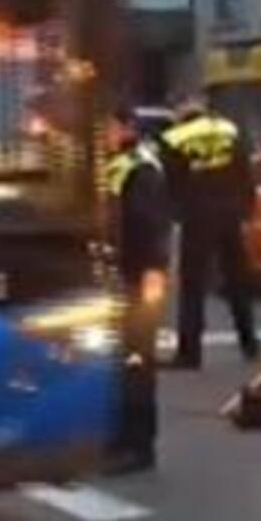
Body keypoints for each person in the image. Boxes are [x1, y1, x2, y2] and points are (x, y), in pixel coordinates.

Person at [160, 97, 259, 367]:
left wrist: (177, 214)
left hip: (198, 215)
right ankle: (249, 343)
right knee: (237, 280)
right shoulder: (228, 129)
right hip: (230, 214)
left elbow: (170, 182)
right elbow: (246, 170)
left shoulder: (174, 138)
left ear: (181, 114)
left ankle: (190, 354)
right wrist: (246, 208)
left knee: (193, 285)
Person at [104, 107, 171, 476]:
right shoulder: (114, 164)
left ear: (127, 127)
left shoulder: (140, 168)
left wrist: (154, 271)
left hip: (137, 276)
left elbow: (152, 224)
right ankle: (118, 436)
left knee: (136, 362)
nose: (104, 133)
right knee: (117, 360)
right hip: (115, 275)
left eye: (109, 126)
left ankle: (138, 444)